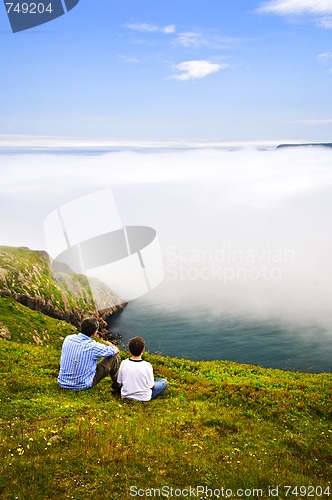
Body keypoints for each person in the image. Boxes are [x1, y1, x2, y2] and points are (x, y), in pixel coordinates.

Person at [58, 317, 121, 392]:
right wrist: (109, 344)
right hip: (83, 385)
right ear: (95, 332)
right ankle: (117, 386)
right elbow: (115, 351)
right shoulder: (93, 346)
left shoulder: (68, 339)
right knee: (114, 358)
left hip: (63, 383)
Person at [117, 336, 168, 401]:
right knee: (164, 382)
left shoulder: (124, 363)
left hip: (126, 395)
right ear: (143, 350)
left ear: (129, 350)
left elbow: (119, 381)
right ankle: (160, 395)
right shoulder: (147, 365)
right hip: (143, 397)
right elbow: (152, 386)